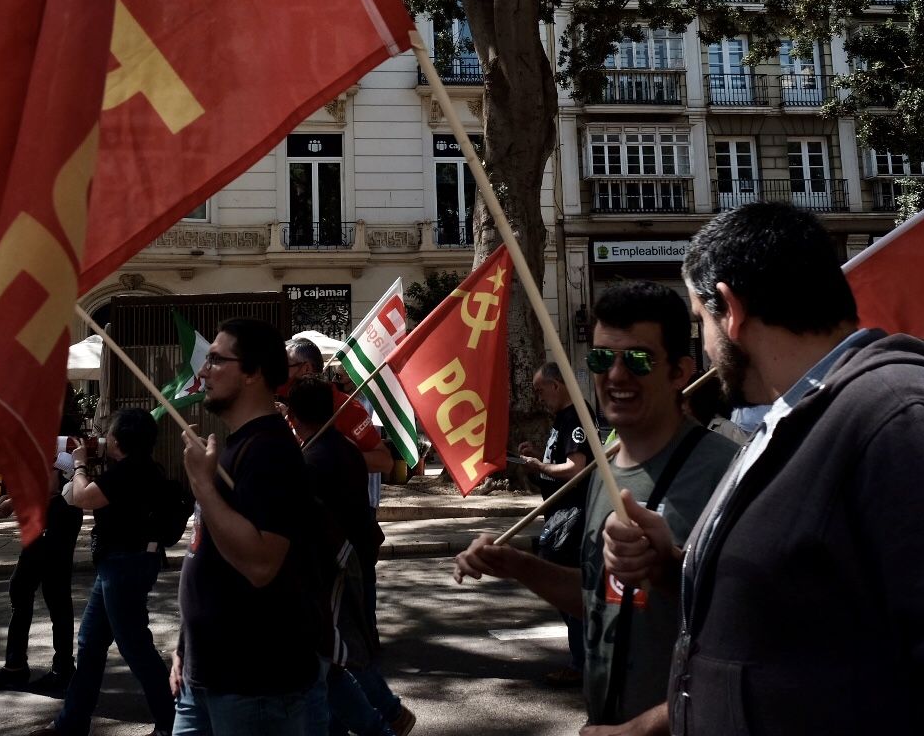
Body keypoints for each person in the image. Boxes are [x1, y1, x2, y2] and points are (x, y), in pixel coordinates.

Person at [648, 201, 924, 735]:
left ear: (730, 308)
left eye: (701, 321)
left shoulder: (906, 418)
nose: (704, 346)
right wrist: (676, 569)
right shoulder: (802, 415)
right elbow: (809, 611)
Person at [455, 283, 737, 735]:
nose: (616, 375)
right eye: (602, 359)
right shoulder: (603, 474)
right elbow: (602, 601)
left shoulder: (727, 474)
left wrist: (641, 729)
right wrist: (517, 566)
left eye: (639, 360)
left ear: (680, 372)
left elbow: (754, 647)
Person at [175, 318, 317, 734]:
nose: (203, 371)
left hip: (253, 685)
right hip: (204, 674)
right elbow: (206, 550)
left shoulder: (271, 450)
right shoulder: (235, 445)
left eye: (216, 360)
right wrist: (184, 647)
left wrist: (202, 484)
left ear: (253, 372)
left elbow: (260, 564)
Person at [32, 407, 176, 736]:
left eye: (109, 433)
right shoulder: (146, 468)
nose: (104, 437)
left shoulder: (127, 472)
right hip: (123, 563)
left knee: (135, 647)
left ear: (118, 440)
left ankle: (171, 723)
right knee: (91, 642)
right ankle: (72, 722)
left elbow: (82, 497)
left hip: (123, 566)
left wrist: (80, 463)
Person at [284, 377, 415, 736]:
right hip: (350, 557)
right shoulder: (341, 448)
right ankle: (381, 715)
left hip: (333, 567)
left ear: (293, 417)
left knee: (341, 650)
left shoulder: (312, 460)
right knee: (339, 653)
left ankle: (386, 716)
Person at [0, 396, 83, 695]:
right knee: (46, 591)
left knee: (37, 589)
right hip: (57, 515)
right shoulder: (51, 432)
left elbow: (50, 484)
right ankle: (50, 666)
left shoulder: (55, 435)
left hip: (55, 515)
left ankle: (44, 667)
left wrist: (15, 501)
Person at [522, 360, 592, 688]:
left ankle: (582, 662)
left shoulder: (576, 416)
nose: (538, 397)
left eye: (540, 390)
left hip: (571, 516)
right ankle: (584, 657)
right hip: (558, 513)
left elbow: (576, 468)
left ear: (556, 385)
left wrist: (542, 466)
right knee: (561, 588)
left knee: (565, 587)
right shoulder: (561, 418)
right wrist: (538, 458)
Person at [283, 339, 395, 476]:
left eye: (283, 366)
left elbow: (385, 462)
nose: (276, 373)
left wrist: (337, 454)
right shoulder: (290, 405)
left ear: (306, 369)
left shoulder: (346, 407)